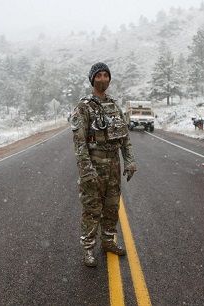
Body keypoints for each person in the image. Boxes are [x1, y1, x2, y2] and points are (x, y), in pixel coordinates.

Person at [70, 62, 137, 267]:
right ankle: (88, 248)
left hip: (113, 166)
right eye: (98, 75)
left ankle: (108, 241)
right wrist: (86, 169)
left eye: (105, 75)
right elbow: (80, 143)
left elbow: (125, 137)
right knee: (92, 209)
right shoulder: (84, 107)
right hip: (94, 165)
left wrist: (130, 160)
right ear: (92, 79)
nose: (102, 79)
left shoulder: (114, 106)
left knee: (111, 207)